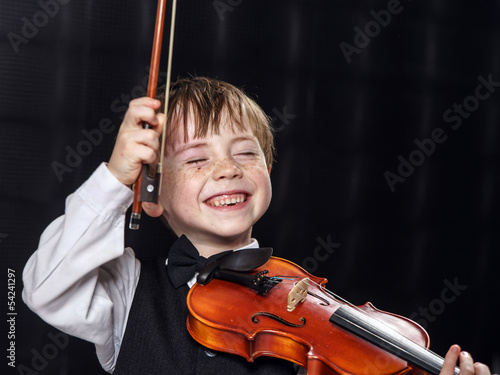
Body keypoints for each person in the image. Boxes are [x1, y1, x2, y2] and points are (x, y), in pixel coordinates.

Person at [22, 77, 491, 375]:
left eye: (246, 152)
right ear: (153, 196)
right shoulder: (126, 292)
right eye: (196, 159)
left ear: (268, 170)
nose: (226, 168)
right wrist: (115, 179)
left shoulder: (306, 307)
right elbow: (45, 286)